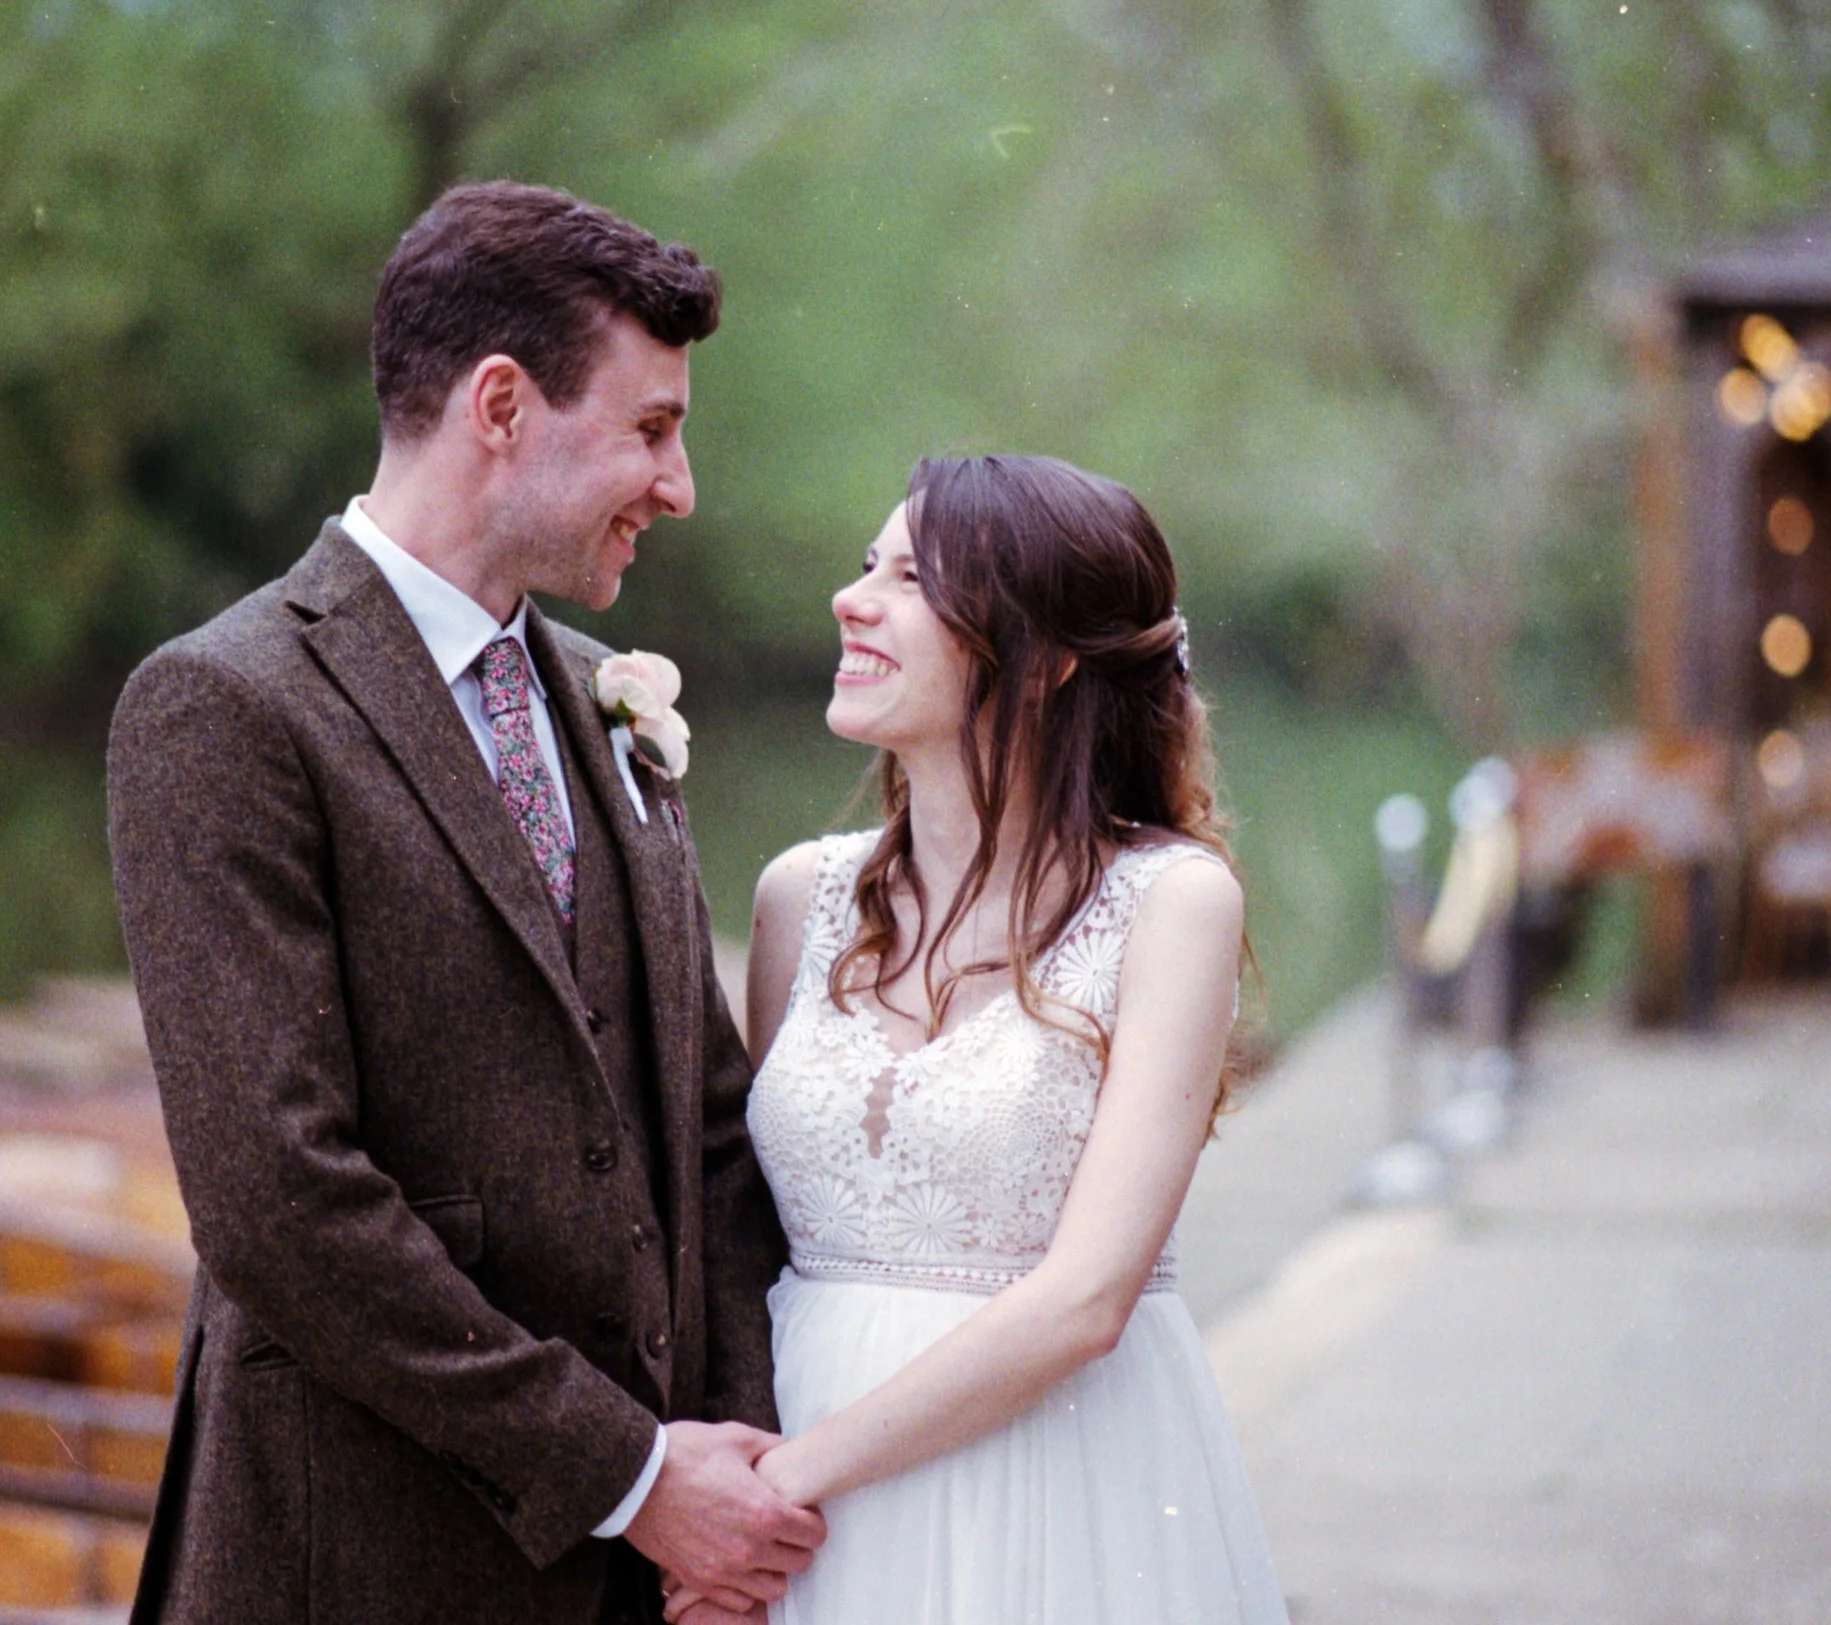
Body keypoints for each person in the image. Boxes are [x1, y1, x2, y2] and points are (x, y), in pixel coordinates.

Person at [105, 181, 825, 1625]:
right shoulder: (222, 708)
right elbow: (279, 1203)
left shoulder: (607, 702)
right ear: (500, 406)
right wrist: (630, 1474)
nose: (679, 489)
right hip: (359, 1569)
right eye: (653, 429)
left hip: (656, 1584)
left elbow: (708, 1130)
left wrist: (740, 1480)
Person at [684, 454, 1289, 1623]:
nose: (852, 599)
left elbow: (1088, 1294)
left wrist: (789, 1481)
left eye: (911, 577)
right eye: (866, 566)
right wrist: (728, 1496)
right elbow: (746, 1234)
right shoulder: (798, 895)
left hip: (1049, 1478)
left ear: (1049, 655)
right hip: (796, 1496)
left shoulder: (1168, 902)